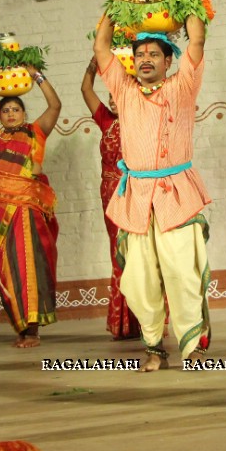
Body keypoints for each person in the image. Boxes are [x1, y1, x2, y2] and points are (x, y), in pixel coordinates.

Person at [92, 11, 211, 371]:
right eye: (140, 53)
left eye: (153, 54)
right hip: (137, 198)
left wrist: (186, 3)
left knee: (182, 272)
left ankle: (193, 348)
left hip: (176, 193)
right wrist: (115, 7)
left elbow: (197, 41)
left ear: (168, 60)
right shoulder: (124, 90)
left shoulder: (182, 86)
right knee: (141, 277)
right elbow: (100, 47)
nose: (145, 59)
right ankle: (154, 348)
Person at [0, 71, 62, 347]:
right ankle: (20, 324)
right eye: (6, 110)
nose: (11, 114)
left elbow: (55, 106)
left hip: (27, 209)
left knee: (29, 265)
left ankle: (33, 330)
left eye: (16, 109)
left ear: (24, 113)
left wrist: (37, 76)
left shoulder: (35, 132)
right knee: (6, 269)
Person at [81, 59, 140, 341]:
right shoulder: (105, 119)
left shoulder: (142, 116)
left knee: (140, 251)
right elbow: (85, 89)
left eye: (120, 95)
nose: (113, 101)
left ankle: (145, 319)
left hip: (136, 191)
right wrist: (93, 67)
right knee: (118, 252)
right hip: (110, 192)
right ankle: (123, 322)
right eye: (110, 96)